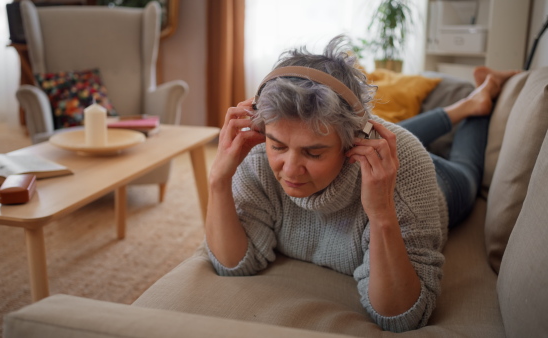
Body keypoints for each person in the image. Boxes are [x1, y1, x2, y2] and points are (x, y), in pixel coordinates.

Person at [205, 35, 516, 332]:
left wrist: (381, 211)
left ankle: (480, 103)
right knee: (393, 133)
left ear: (353, 142)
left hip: (439, 183)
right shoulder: (257, 148)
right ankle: (466, 103)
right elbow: (234, 265)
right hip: (381, 149)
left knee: (466, 166)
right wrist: (219, 179)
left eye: (313, 152)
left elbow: (401, 317)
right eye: (278, 146)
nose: (290, 169)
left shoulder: (408, 167)